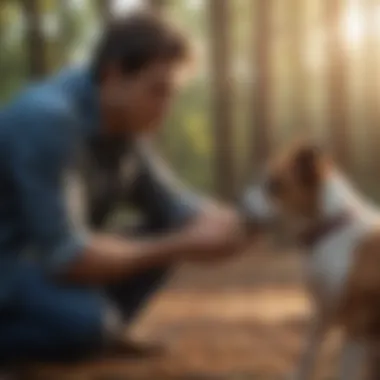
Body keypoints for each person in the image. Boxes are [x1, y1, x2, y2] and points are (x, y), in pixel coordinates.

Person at [0, 10, 252, 364]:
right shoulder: (47, 120)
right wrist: (183, 243)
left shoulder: (123, 124)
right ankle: (86, 330)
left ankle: (100, 328)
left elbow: (174, 205)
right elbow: (66, 257)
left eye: (172, 94)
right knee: (85, 324)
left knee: (169, 234)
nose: (167, 107)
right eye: (158, 91)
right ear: (113, 74)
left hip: (41, 268)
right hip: (11, 265)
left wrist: (237, 221)